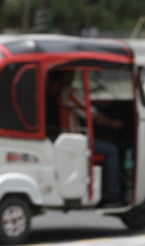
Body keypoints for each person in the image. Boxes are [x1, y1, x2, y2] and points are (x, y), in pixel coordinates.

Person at [47, 70, 124, 205]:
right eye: (71, 72)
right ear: (63, 74)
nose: (72, 76)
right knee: (112, 150)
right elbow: (92, 115)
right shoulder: (68, 93)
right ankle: (112, 195)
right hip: (73, 142)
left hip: (56, 137)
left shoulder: (50, 88)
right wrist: (113, 124)